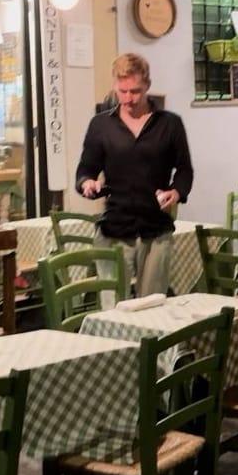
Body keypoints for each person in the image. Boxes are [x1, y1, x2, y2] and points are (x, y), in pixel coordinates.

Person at [75, 53, 193, 296]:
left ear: (148, 85)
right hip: (114, 227)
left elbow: (185, 170)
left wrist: (177, 191)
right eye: (123, 91)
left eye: (136, 91)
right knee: (113, 306)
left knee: (152, 304)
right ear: (115, 86)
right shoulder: (101, 125)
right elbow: (85, 170)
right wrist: (87, 183)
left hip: (155, 228)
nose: (129, 98)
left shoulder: (170, 124)